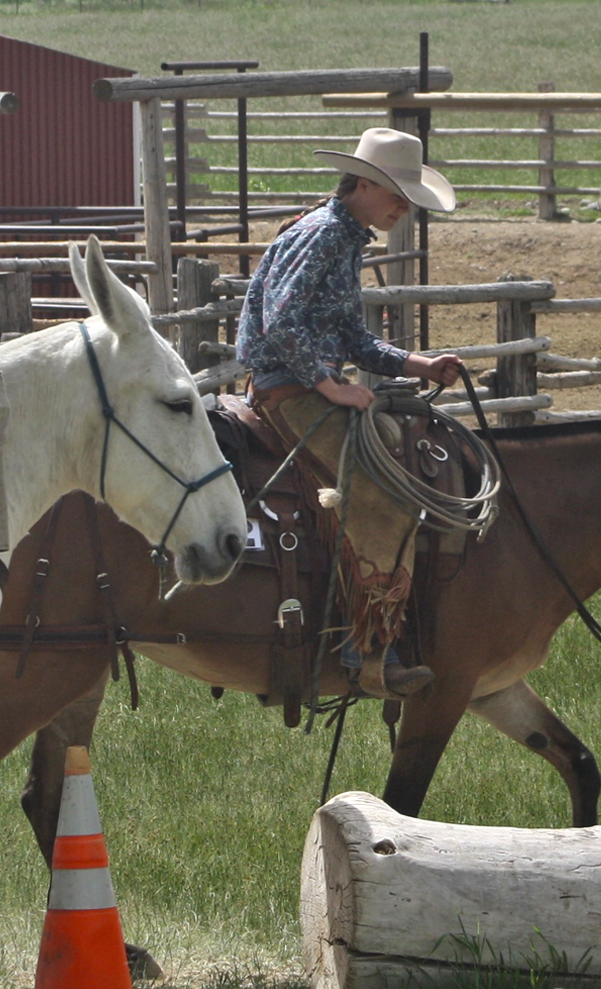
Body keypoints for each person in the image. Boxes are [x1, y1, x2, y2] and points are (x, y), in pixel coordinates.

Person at [235, 127, 463, 700]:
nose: (402, 208)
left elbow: (352, 338)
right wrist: (328, 386)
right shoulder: (324, 236)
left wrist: (417, 365)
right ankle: (365, 651)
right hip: (290, 390)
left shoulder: (343, 235)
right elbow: (280, 323)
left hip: (301, 381)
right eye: (396, 194)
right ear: (363, 183)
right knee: (385, 494)